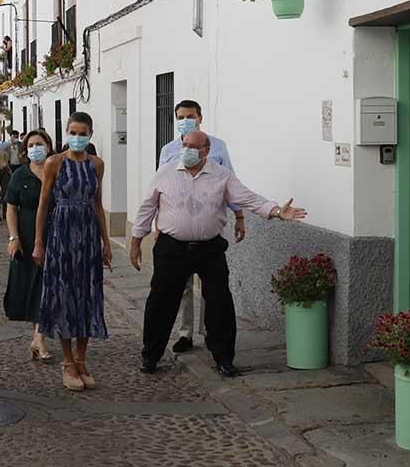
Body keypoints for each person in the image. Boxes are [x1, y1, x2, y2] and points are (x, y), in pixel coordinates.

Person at [131, 130, 307, 377]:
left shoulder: (221, 176)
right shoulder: (166, 173)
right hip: (172, 248)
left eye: (194, 146)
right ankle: (150, 355)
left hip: (209, 248)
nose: (188, 149)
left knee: (219, 302)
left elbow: (248, 198)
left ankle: (224, 357)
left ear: (206, 150)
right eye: (185, 145)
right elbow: (147, 207)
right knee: (161, 303)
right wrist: (136, 240)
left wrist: (277, 211)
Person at [158, 99, 245, 354]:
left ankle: (210, 332)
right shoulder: (169, 150)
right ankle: (185, 334)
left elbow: (232, 184)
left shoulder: (217, 147)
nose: (186, 120)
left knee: (213, 288)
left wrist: (239, 216)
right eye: (181, 116)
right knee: (182, 287)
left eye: (191, 116)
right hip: (177, 230)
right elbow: (159, 188)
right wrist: (157, 223)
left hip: (209, 230)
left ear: (200, 118)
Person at [34, 112, 112, 391]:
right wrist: (38, 243)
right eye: (73, 132)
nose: (77, 137)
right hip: (62, 235)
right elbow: (44, 205)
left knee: (88, 295)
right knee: (65, 295)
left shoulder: (97, 165)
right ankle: (67, 361)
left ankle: (81, 359)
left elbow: (98, 204)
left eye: (83, 133)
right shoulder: (54, 162)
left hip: (89, 236)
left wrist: (106, 242)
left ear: (90, 135)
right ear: (66, 133)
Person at [4, 129, 55, 362]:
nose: (36, 148)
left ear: (48, 146)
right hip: (26, 239)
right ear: (26, 149)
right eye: (32, 144)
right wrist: (13, 238)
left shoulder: (57, 171)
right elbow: (11, 208)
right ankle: (39, 337)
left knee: (48, 287)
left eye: (40, 143)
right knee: (33, 287)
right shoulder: (19, 176)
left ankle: (39, 337)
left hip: (54, 236)